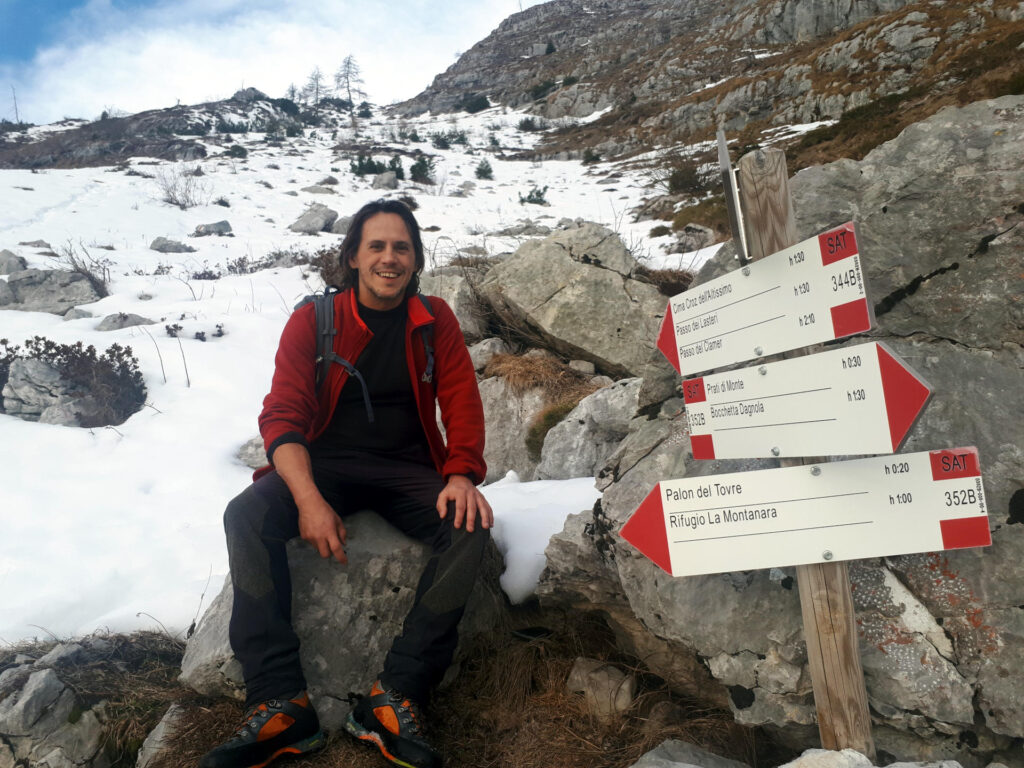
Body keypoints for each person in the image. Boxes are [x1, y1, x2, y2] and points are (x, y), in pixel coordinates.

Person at [199, 199, 492, 768]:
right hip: (324, 463)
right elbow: (282, 416)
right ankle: (281, 704)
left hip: (408, 468)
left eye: (401, 247)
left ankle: (395, 696)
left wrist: (461, 474)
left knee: (470, 525)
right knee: (247, 516)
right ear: (353, 257)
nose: (389, 258)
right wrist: (308, 500)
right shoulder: (315, 319)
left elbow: (461, 401)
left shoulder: (435, 320)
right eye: (376, 246)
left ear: (416, 258)